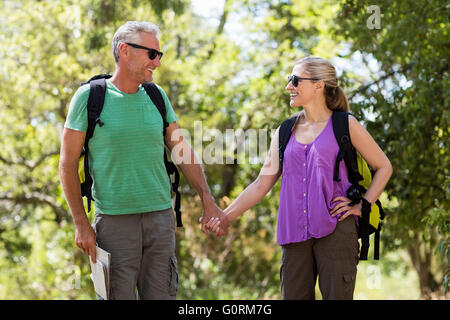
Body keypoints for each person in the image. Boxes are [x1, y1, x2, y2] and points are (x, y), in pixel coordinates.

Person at [59, 21, 228, 300]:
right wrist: (80, 222)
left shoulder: (156, 96)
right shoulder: (90, 98)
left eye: (159, 55)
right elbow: (66, 164)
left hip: (160, 221)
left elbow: (181, 150)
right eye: (152, 54)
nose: (157, 63)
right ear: (125, 51)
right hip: (113, 224)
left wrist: (207, 198)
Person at [206, 56, 393, 300]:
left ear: (319, 85)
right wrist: (225, 215)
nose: (289, 87)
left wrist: (362, 205)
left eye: (295, 80)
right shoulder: (285, 131)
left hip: (337, 230)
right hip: (294, 235)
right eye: (289, 80)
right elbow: (261, 183)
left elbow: (384, 166)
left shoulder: (345, 124)